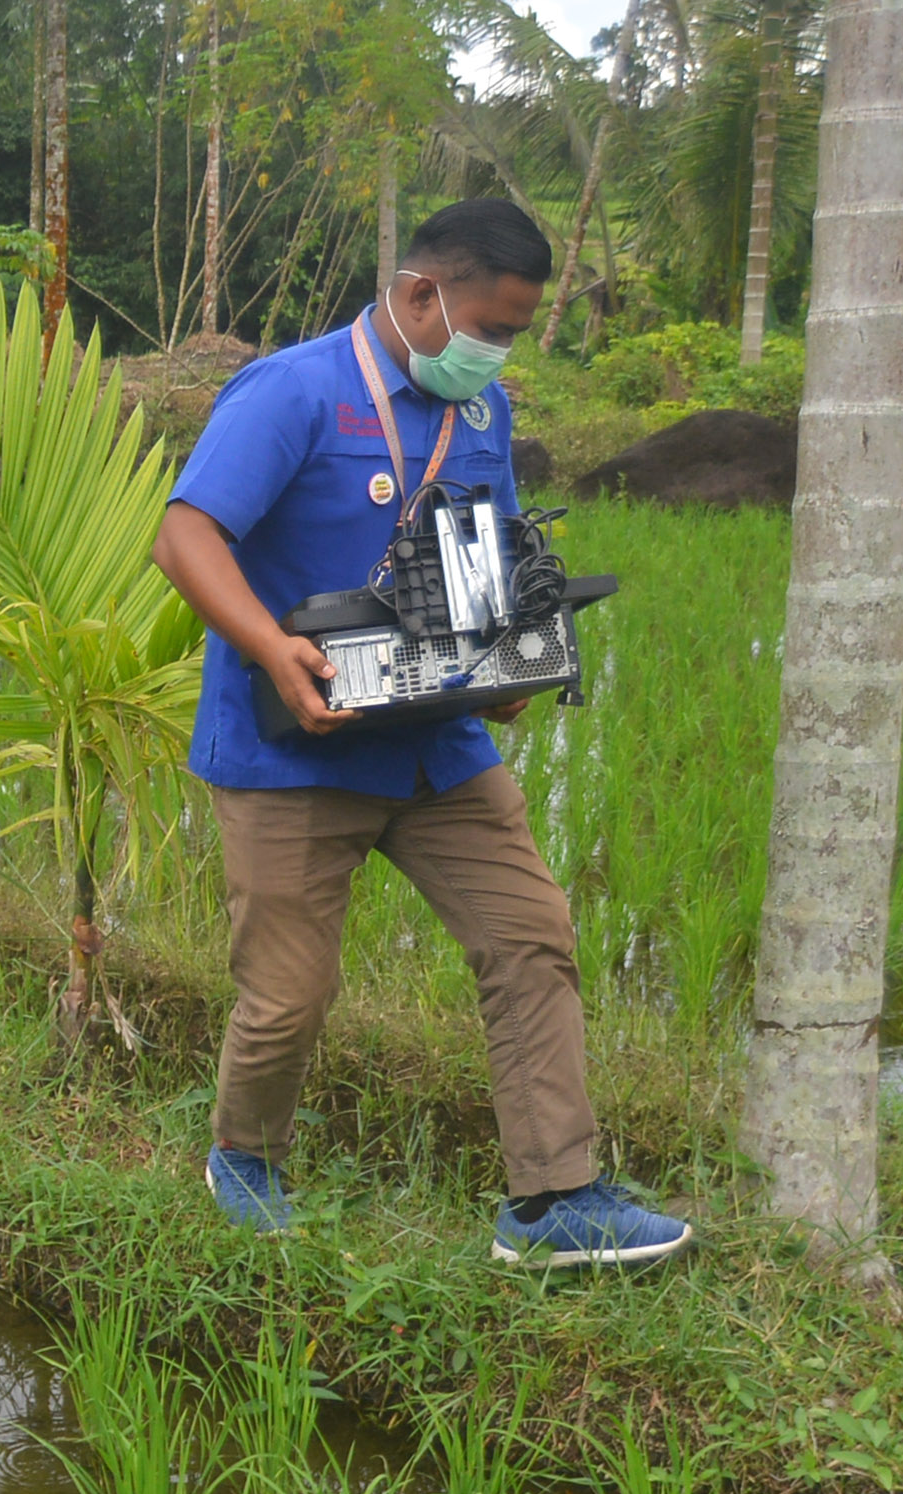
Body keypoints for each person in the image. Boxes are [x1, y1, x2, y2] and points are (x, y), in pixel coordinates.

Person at [150, 195, 690, 1268]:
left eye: (515, 333)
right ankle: (243, 1156)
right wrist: (268, 646)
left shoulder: (481, 417)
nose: (498, 350)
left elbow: (480, 558)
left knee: (529, 934)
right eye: (492, 326)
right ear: (417, 295)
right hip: (290, 747)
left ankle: (553, 1199)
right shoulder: (292, 389)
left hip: (436, 743)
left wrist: (502, 671)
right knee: (291, 991)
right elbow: (185, 535)